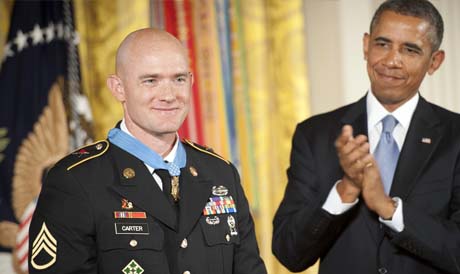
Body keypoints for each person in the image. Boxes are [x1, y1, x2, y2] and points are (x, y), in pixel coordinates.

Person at [28, 28, 267, 274]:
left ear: (192, 81)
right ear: (118, 88)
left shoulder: (220, 173)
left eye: (179, 79)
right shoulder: (75, 181)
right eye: (150, 80)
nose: (169, 95)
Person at [272, 0, 460, 273]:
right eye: (382, 44)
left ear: (434, 61)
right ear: (365, 45)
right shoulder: (315, 134)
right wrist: (345, 190)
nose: (391, 60)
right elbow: (289, 252)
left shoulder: (455, 137)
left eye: (410, 50)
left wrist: (389, 209)